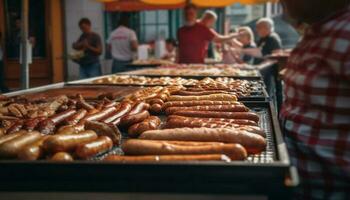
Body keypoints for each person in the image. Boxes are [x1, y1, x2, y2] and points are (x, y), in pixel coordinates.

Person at [280, 0, 350, 199]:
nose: (282, 2)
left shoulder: (346, 32)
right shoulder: (318, 28)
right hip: (302, 182)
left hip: (334, 188)